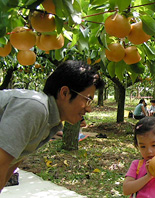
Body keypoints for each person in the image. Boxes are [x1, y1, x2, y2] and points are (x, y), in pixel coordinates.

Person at [0, 60, 105, 191]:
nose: (89, 109)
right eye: (87, 100)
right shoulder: (35, 108)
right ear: (65, 93)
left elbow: (12, 162)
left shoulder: (49, 123)